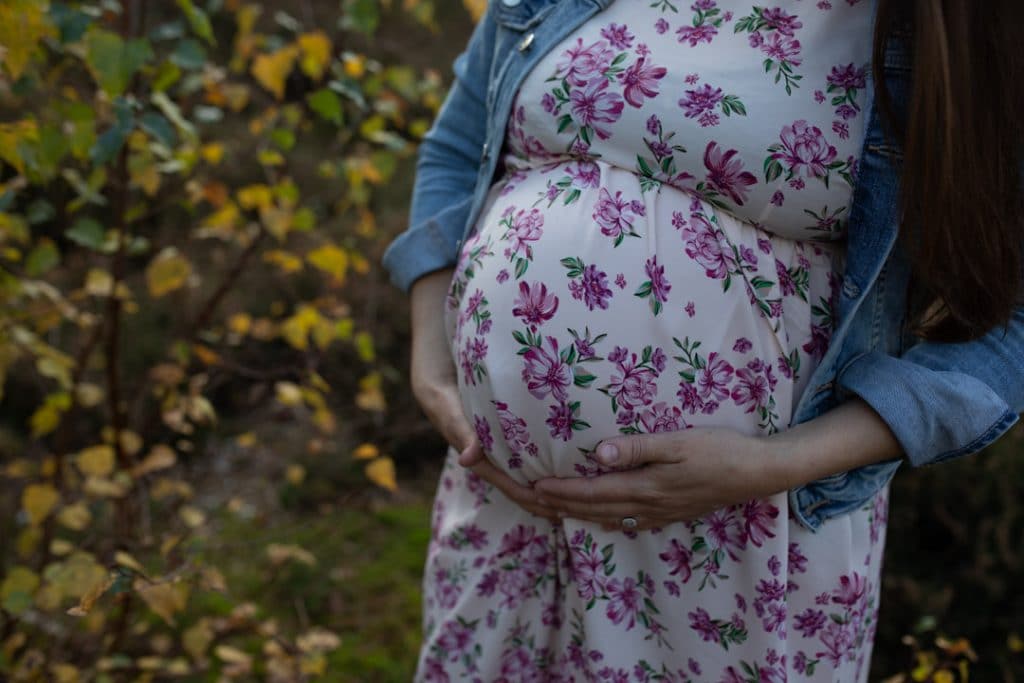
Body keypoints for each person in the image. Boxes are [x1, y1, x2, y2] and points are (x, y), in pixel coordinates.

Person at [381, 0, 1024, 680]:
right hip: (509, 511)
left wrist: (776, 464)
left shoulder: (944, 25)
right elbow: (454, 147)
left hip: (739, 533)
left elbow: (1010, 332)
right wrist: (431, 359)